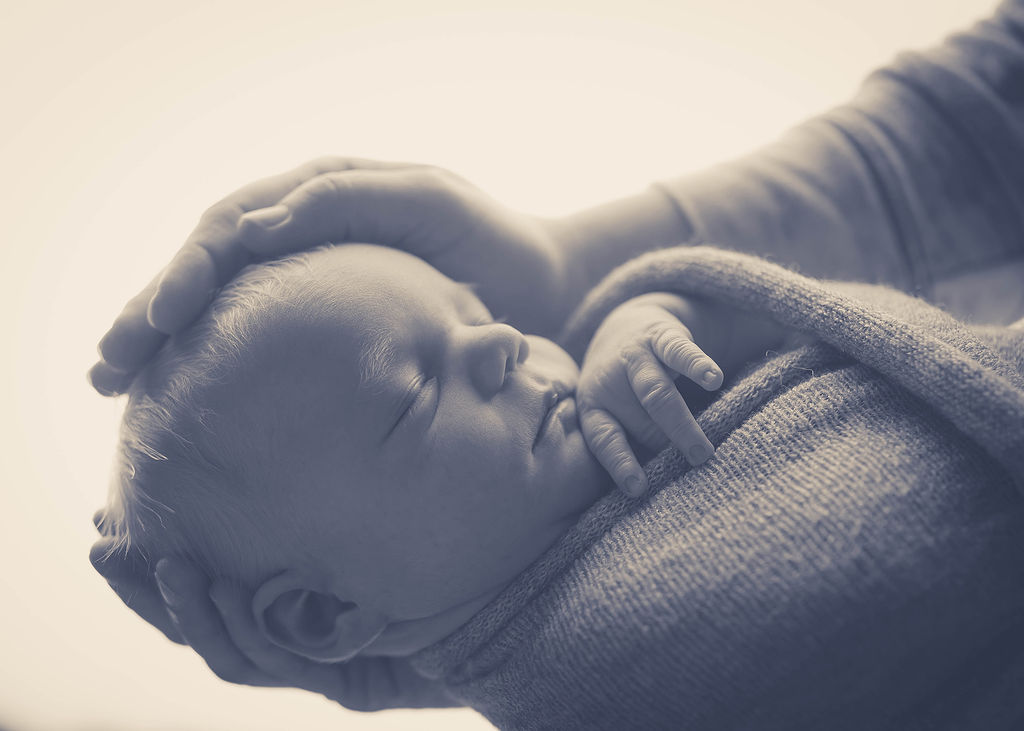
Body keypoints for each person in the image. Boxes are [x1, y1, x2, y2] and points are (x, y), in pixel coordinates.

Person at [90, 0, 1024, 726]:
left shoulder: (634, 424)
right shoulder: (560, 675)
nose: (505, 343)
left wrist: (649, 307)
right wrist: (466, 662)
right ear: (318, 619)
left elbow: (794, 336)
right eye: (415, 393)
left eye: (481, 315)